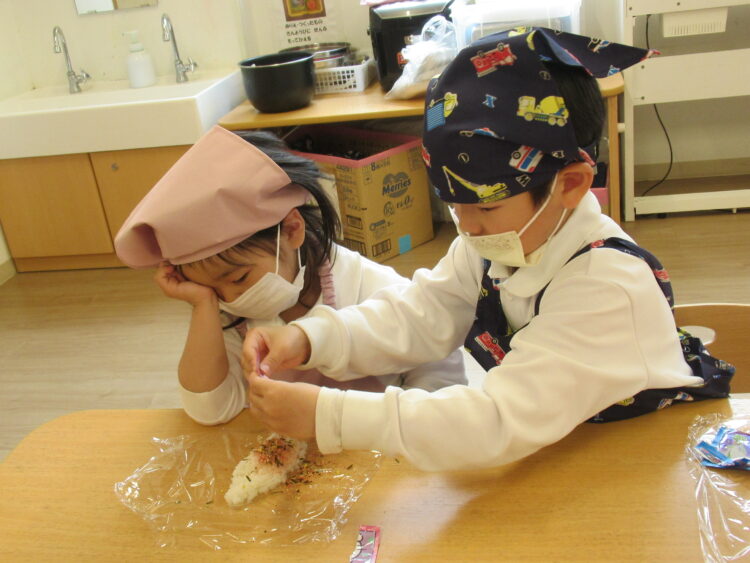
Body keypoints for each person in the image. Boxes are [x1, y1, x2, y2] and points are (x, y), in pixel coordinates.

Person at [240, 28, 734, 471]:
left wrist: (333, 415)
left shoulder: (606, 286)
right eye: (454, 204)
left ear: (571, 184)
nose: (468, 226)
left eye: (487, 207)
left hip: (644, 464)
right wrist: (311, 338)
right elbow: (419, 315)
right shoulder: (494, 244)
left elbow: (495, 420)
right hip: (562, 451)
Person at [114, 125, 466, 425]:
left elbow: (439, 370)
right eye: (212, 289)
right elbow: (210, 409)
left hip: (378, 443)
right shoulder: (228, 313)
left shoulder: (367, 285)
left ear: (293, 230)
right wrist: (203, 305)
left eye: (239, 279)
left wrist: (389, 424)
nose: (232, 298)